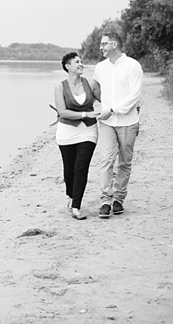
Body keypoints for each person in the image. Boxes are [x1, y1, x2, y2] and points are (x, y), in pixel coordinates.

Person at [92, 31, 143, 219]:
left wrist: (112, 109)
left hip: (128, 122)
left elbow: (134, 95)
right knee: (106, 159)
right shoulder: (100, 67)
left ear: (114, 44)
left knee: (124, 162)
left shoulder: (133, 66)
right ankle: (106, 200)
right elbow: (95, 89)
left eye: (104, 44)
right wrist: (103, 107)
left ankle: (119, 199)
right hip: (107, 122)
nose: (101, 47)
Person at [54, 52, 100, 220]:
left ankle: (76, 207)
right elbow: (62, 111)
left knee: (81, 167)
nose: (81, 64)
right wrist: (84, 115)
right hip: (66, 131)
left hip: (88, 131)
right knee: (69, 170)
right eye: (77, 62)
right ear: (68, 66)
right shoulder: (60, 87)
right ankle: (71, 195)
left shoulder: (91, 84)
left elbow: (107, 99)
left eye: (81, 62)